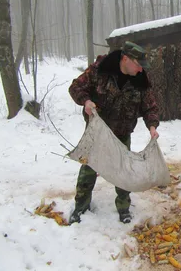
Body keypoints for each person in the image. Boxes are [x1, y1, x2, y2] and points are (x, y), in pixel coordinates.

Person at [68, 41, 159, 224]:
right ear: (125, 59)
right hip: (98, 132)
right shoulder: (99, 70)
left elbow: (150, 107)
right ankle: (80, 207)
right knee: (89, 169)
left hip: (122, 132)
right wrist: (86, 101)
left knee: (123, 170)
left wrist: (152, 126)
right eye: (138, 65)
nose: (141, 70)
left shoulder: (140, 79)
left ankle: (124, 208)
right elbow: (76, 87)